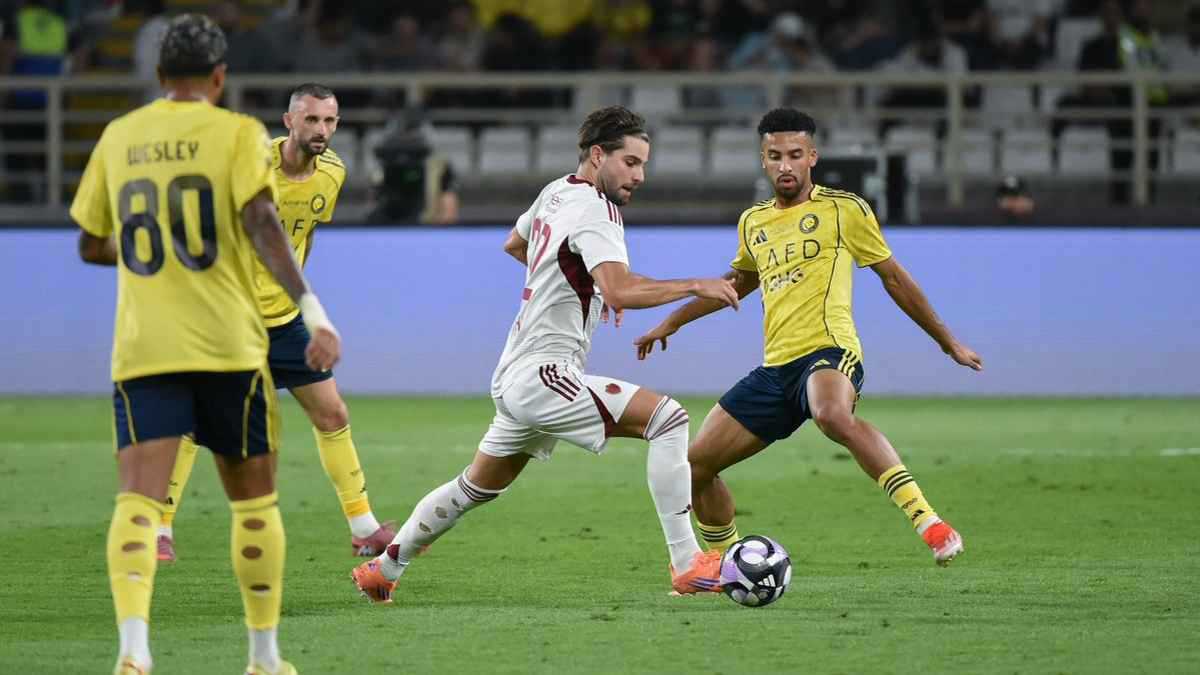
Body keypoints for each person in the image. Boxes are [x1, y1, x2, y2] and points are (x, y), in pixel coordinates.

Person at [350, 106, 741, 603]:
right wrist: (692, 284)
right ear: (598, 155)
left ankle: (384, 569)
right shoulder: (597, 209)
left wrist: (589, 290)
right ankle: (687, 564)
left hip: (516, 370)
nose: (639, 176)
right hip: (544, 372)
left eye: (644, 164)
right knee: (668, 420)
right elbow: (619, 290)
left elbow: (517, 243)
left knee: (475, 486)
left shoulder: (557, 191)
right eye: (631, 162)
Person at [71, 15, 340, 675]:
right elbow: (260, 221)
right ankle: (263, 657)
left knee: (137, 498)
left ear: (159, 76)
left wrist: (151, 248)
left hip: (144, 347)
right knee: (253, 501)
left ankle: (133, 652)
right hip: (230, 344)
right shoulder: (239, 135)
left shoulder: (119, 136)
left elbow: (90, 242)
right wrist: (311, 308)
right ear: (219, 78)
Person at [634, 108, 981, 568]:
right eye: (775, 155)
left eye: (795, 154)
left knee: (831, 414)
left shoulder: (844, 209)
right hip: (776, 368)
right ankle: (727, 564)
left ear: (812, 157)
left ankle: (930, 523)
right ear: (763, 160)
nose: (785, 165)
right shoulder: (753, 222)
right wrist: (672, 321)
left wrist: (946, 342)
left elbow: (894, 279)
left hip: (829, 351)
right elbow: (736, 284)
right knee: (694, 467)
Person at [160, 83, 395, 563]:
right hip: (231, 319)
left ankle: (363, 527)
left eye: (330, 121)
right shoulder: (249, 165)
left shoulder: (333, 173)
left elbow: (299, 239)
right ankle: (159, 526)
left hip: (286, 320)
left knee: (333, 414)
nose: (322, 131)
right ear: (289, 121)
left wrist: (306, 307)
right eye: (311, 120)